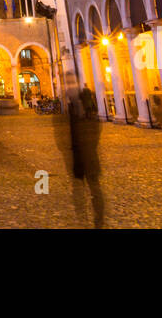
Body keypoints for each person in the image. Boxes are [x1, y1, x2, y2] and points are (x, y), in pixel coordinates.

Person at [58, 92, 105, 227]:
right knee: (93, 189)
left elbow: (69, 140)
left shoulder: (82, 120)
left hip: (83, 159)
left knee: (84, 190)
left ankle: (87, 219)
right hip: (88, 158)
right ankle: (96, 220)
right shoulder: (92, 120)